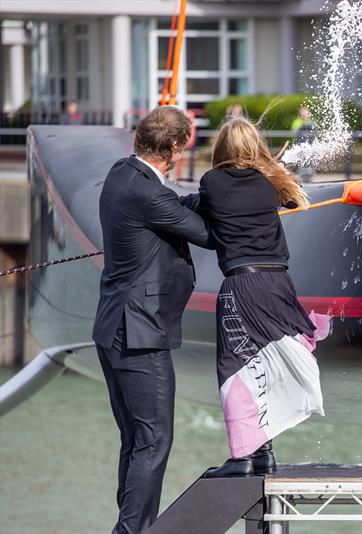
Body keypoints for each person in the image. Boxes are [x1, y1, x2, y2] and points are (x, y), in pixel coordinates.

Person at [92, 106, 212, 533]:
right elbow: (206, 234)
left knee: (136, 440)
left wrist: (204, 199)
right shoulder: (151, 195)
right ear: (177, 148)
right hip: (139, 334)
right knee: (155, 441)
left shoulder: (122, 174)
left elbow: (173, 205)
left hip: (113, 328)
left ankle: (128, 526)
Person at [198, 115, 328, 477]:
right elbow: (289, 202)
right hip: (279, 285)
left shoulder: (212, 182)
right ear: (256, 146)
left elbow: (203, 212)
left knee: (235, 366)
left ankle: (242, 458)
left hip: (243, 284)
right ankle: (264, 454)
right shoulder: (273, 181)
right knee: (266, 363)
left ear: (222, 149)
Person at [291, 106, 316, 181]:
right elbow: (294, 132)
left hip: (310, 147)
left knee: (309, 163)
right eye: (303, 112)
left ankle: (309, 178)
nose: (305, 114)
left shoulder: (311, 122)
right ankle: (300, 179)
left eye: (306, 112)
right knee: (299, 164)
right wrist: (303, 124)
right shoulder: (297, 121)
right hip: (300, 146)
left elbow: (314, 131)